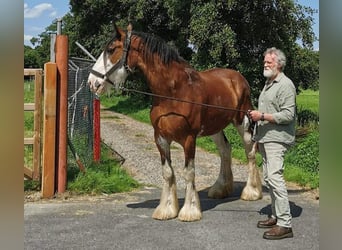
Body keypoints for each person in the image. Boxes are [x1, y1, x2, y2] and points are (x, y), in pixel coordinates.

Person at [248, 47, 296, 240]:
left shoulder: (285, 85)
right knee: (268, 178)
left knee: (275, 178)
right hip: (266, 138)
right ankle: (276, 216)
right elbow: (266, 111)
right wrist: (257, 133)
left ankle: (285, 224)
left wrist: (262, 116)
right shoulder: (269, 83)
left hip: (278, 139)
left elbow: (288, 115)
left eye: (269, 62)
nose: (265, 64)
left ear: (279, 64)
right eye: (265, 61)